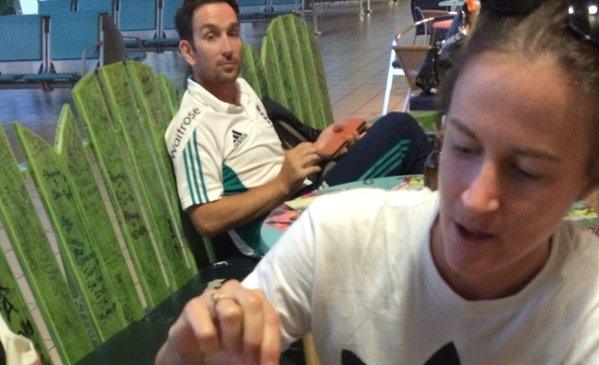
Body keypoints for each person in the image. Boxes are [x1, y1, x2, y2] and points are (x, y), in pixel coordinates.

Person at [155, 0, 599, 365]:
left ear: (594, 177)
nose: (476, 198)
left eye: (527, 171)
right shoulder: (339, 235)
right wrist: (191, 342)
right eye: (463, 147)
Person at [166, 0, 434, 255]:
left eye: (233, 33)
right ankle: (442, 237)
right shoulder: (195, 125)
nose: (228, 47)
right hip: (279, 230)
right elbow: (206, 219)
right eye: (211, 36)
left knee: (403, 164)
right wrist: (283, 183)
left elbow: (260, 164)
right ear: (188, 51)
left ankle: (428, 243)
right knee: (401, 132)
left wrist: (320, 148)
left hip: (303, 195)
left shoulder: (241, 89)